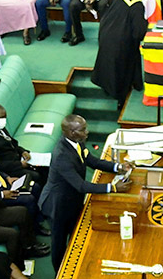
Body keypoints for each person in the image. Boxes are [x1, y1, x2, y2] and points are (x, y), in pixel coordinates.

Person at [40, 115, 134, 269]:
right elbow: (82, 186)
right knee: (59, 243)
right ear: (71, 132)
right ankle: (60, 272)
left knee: (75, 233)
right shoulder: (61, 156)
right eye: (82, 129)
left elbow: (92, 161)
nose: (87, 132)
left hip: (72, 199)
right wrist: (113, 188)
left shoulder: (77, 142)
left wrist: (117, 167)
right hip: (57, 204)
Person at [91, 0, 150, 106]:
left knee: (107, 62)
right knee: (122, 68)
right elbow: (138, 33)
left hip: (106, 32)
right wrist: (146, 23)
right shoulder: (137, 5)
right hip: (121, 42)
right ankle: (119, 95)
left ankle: (106, 86)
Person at [0, 104, 43, 185]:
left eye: (4, 117)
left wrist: (23, 151)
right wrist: (20, 165)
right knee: (37, 176)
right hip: (10, 169)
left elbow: (12, 143)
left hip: (18, 159)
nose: (3, 121)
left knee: (44, 168)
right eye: (0, 118)